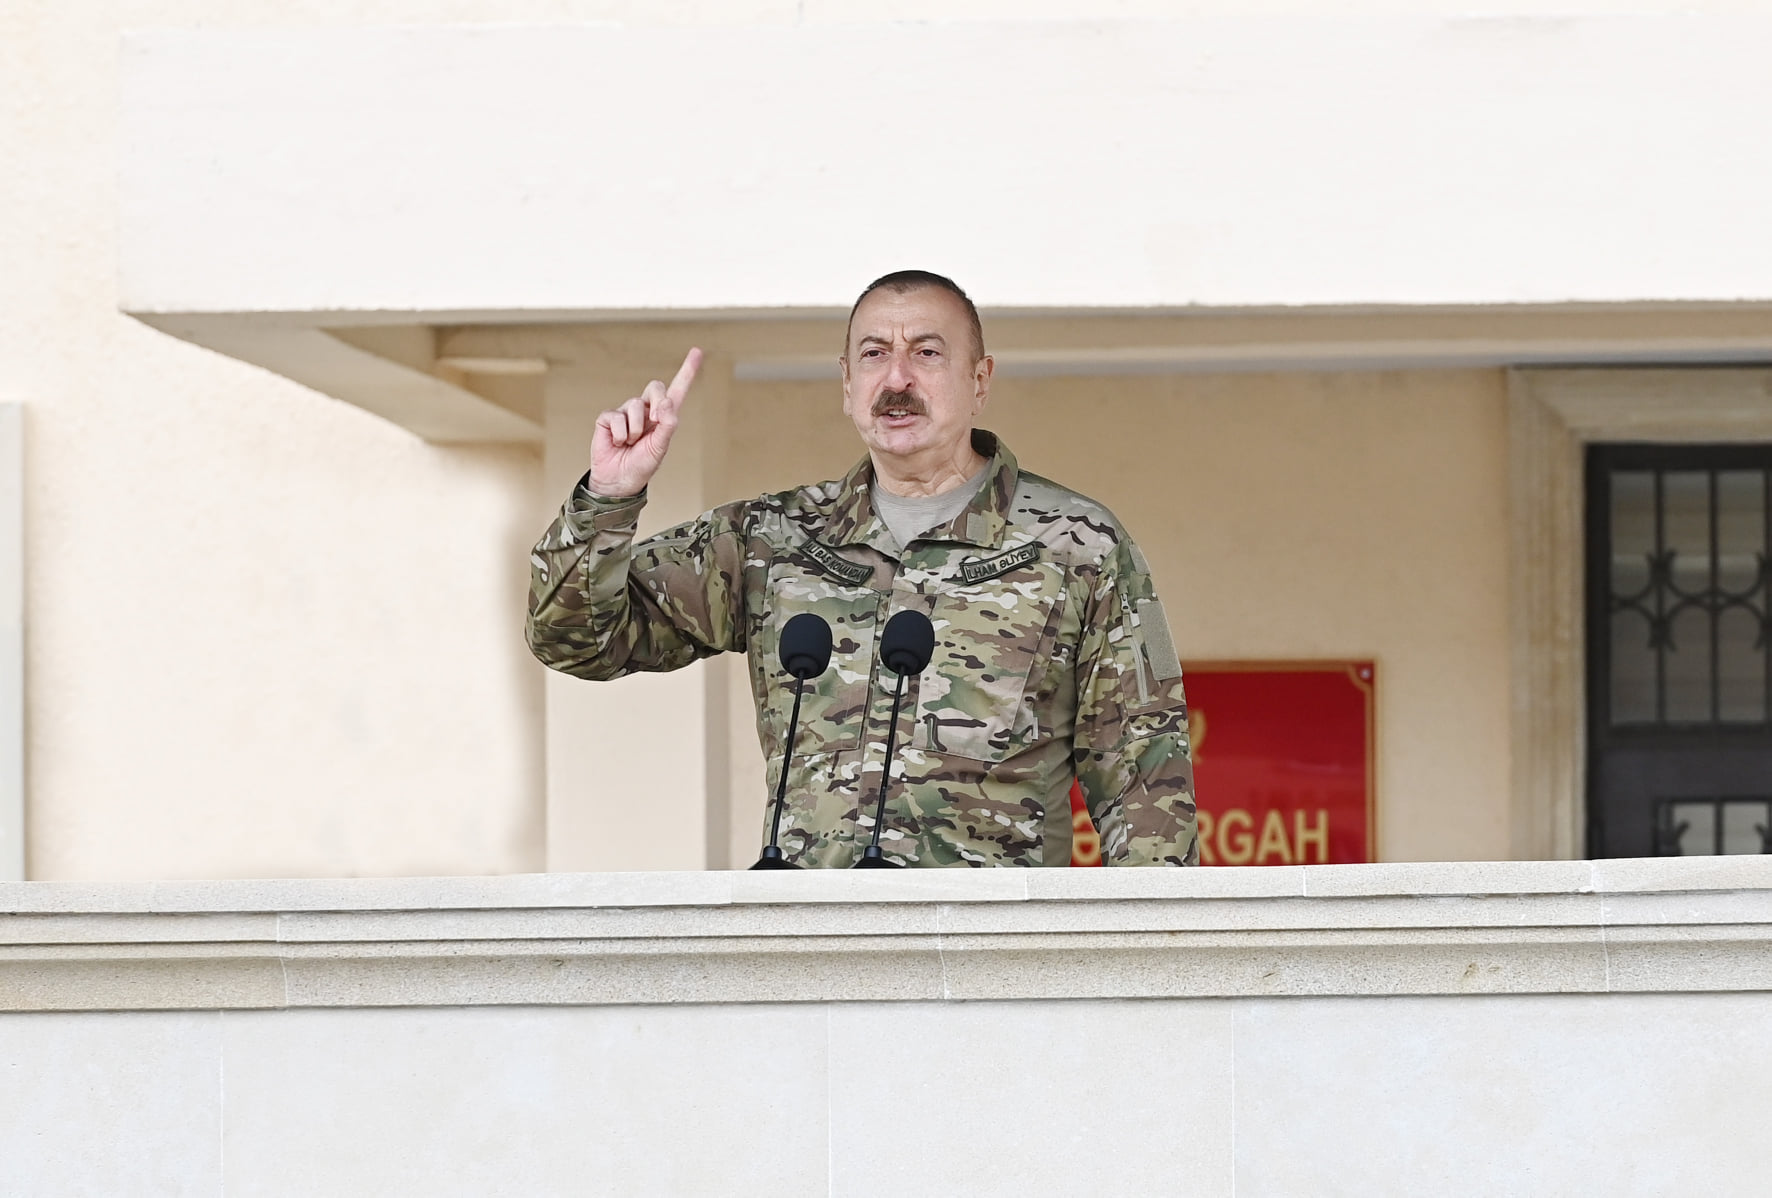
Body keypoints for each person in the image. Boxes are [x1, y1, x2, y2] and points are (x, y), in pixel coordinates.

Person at [526, 270, 1197, 868]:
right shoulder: (771, 540)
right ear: (847, 384)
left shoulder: (1076, 545)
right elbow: (575, 640)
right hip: (812, 944)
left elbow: (1144, 780)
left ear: (979, 380)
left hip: (987, 951)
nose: (897, 380)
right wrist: (608, 499)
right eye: (874, 354)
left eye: (927, 353)